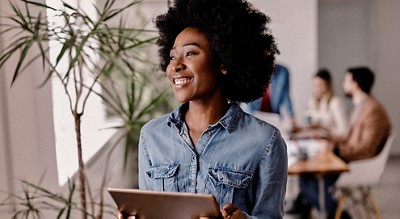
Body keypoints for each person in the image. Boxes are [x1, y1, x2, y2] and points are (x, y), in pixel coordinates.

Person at [119, 0, 287, 218]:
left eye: (190, 53)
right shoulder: (152, 136)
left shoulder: (265, 141)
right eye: (172, 56)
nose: (176, 65)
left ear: (224, 63)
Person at [290, 66, 391, 219]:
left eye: (346, 81)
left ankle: (339, 215)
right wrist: (327, 140)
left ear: (355, 85)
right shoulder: (363, 106)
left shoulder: (373, 110)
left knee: (312, 177)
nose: (343, 84)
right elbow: (349, 136)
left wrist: (335, 148)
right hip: (351, 158)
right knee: (306, 175)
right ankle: (326, 211)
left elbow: (366, 148)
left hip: (359, 165)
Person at [300, 69, 349, 140]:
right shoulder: (313, 101)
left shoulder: (335, 102)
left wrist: (323, 128)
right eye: (314, 85)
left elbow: (344, 132)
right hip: (317, 141)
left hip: (333, 143)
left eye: (319, 85)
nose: (316, 88)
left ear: (327, 85)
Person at [245, 64, 297, 130]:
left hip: (274, 118)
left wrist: (290, 116)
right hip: (255, 116)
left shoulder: (283, 72)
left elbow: (286, 97)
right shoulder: (251, 72)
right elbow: (248, 101)